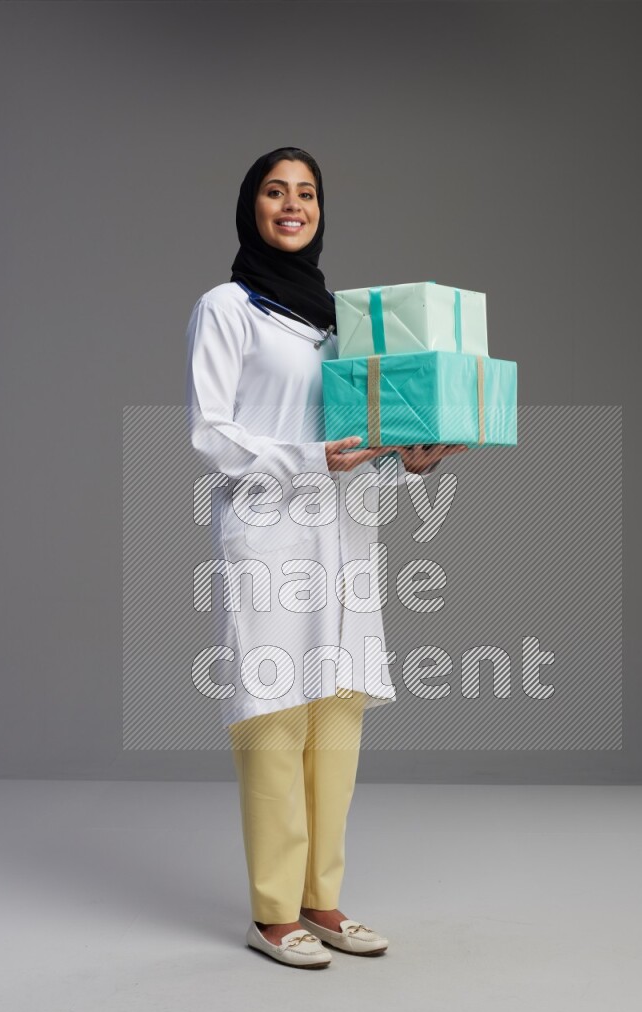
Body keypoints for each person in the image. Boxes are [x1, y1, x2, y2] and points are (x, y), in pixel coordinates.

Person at [185, 146, 467, 968]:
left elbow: (357, 437)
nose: (292, 204)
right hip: (269, 534)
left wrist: (404, 459)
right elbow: (210, 430)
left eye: (306, 193)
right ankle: (274, 912)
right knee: (274, 716)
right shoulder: (226, 308)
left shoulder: (339, 323)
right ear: (252, 207)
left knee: (336, 714)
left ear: (320, 210)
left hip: (344, 534)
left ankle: (324, 899)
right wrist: (310, 461)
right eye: (276, 191)